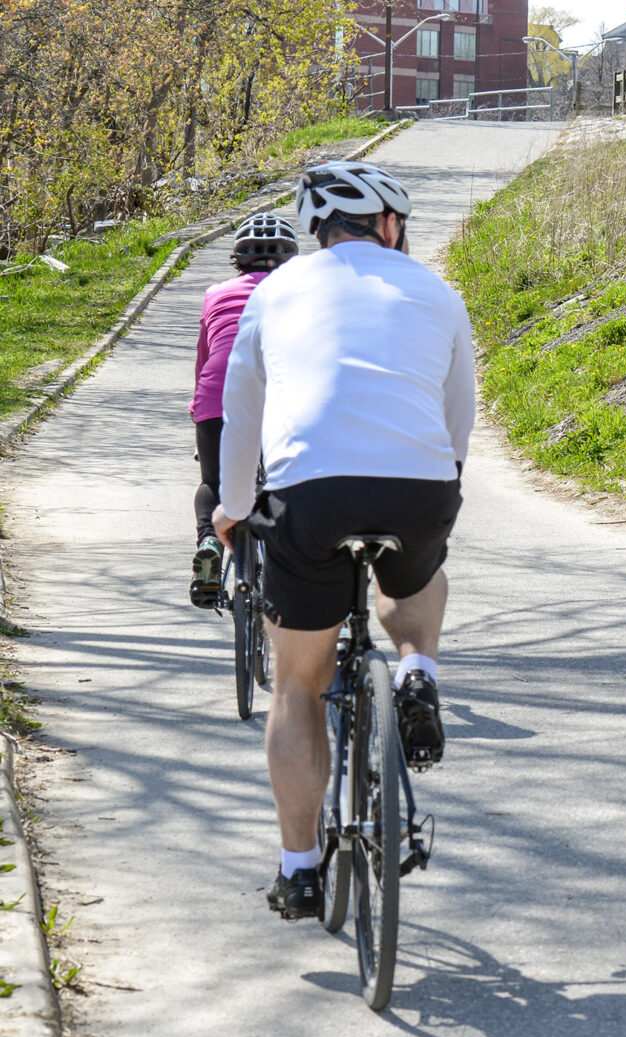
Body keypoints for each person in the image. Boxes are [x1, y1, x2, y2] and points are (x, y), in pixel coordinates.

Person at [212, 161, 476, 920]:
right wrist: (438, 488)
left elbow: (240, 415)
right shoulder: (436, 289)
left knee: (298, 685)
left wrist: (231, 511)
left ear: (316, 229)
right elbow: (458, 421)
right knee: (416, 582)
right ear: (389, 226)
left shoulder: (272, 292)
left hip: (310, 491)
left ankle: (299, 871)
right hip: (420, 486)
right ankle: (418, 670)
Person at [188, 214, 299, 608]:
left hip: (217, 396)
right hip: (284, 396)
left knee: (215, 483)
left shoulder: (216, 293)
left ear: (238, 259)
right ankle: (295, 564)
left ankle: (209, 544)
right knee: (290, 483)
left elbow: (206, 361)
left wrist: (199, 410)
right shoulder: (302, 292)